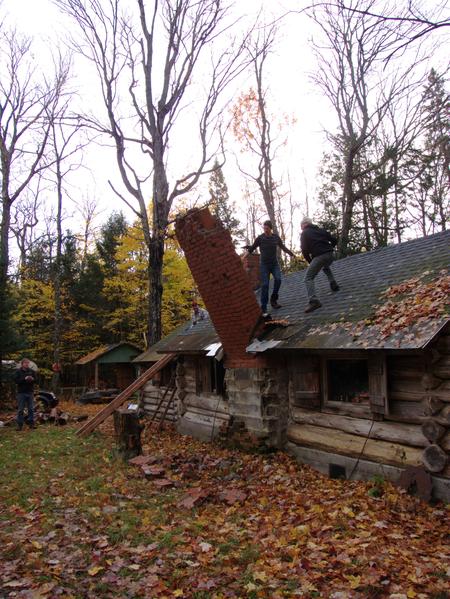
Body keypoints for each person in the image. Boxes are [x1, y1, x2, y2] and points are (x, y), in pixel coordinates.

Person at [245, 220, 295, 316]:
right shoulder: (260, 238)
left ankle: (273, 300)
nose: (265, 230)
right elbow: (251, 248)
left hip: (274, 264)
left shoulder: (276, 238)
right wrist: (243, 257)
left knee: (278, 279)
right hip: (264, 265)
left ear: (270, 228)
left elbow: (283, 247)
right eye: (264, 228)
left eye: (267, 229)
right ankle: (263, 308)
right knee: (265, 285)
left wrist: (291, 254)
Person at [300, 216, 339, 313]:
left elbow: (304, 251)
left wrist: (310, 262)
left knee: (308, 278)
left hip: (320, 256)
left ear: (304, 224)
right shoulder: (320, 230)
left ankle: (314, 301)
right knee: (325, 266)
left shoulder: (305, 233)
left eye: (301, 226)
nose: (301, 228)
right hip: (330, 254)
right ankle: (333, 283)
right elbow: (334, 240)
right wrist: (329, 248)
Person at [14, 358, 37, 431]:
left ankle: (31, 424)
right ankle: (19, 425)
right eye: (25, 363)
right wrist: (24, 378)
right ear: (22, 364)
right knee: (20, 409)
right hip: (21, 393)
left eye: (28, 363)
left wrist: (32, 379)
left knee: (31, 409)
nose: (27, 364)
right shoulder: (18, 371)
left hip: (30, 392)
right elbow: (16, 381)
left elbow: (36, 380)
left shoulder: (32, 371)